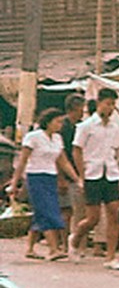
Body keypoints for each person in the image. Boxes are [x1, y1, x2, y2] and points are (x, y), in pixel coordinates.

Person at [11, 108, 82, 260]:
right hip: (36, 177)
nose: (60, 125)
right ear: (48, 122)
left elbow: (63, 161)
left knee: (41, 212)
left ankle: (30, 248)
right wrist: (14, 183)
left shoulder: (57, 139)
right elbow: (23, 161)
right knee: (48, 211)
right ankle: (53, 249)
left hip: (51, 177)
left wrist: (77, 179)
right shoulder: (33, 137)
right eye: (57, 122)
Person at [70, 88, 119, 271]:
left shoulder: (114, 128)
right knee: (92, 218)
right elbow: (77, 150)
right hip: (92, 173)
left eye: (113, 105)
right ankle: (76, 238)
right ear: (99, 103)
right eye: (108, 104)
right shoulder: (86, 126)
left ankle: (111, 257)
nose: (111, 108)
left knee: (113, 213)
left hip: (110, 173)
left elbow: (116, 151)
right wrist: (81, 175)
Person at [59, 94, 86, 232]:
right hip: (65, 174)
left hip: (74, 172)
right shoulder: (63, 127)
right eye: (81, 109)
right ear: (73, 108)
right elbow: (59, 155)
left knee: (72, 210)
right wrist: (61, 179)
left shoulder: (79, 126)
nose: (83, 112)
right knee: (66, 210)